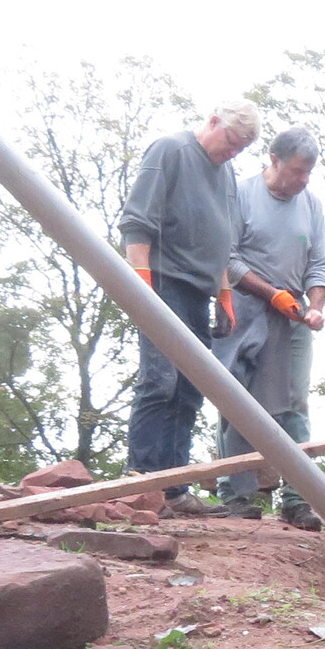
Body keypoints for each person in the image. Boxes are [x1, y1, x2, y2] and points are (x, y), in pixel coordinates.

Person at [117, 99, 259, 511]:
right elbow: (136, 222)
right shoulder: (171, 151)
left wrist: (225, 294)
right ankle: (140, 485)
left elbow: (222, 240)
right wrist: (142, 287)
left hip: (199, 291)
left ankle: (174, 490)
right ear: (213, 121)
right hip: (163, 282)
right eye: (230, 142)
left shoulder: (225, 173)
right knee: (160, 381)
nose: (232, 153)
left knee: (189, 388)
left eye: (241, 149)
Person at [212, 126, 325, 527]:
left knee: (294, 403)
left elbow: (319, 264)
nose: (303, 179)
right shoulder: (240, 195)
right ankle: (235, 493)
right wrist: (270, 294)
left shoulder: (311, 205)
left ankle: (298, 499)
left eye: (309, 172)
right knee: (235, 396)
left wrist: (314, 308)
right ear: (274, 160)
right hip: (244, 309)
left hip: (293, 315)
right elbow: (227, 259)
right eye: (297, 171)